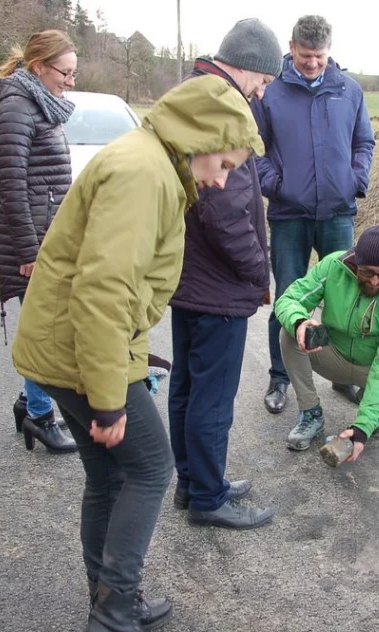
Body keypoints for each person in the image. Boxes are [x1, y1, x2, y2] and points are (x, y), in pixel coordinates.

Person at [10, 74, 264, 631]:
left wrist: (131, 357)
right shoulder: (143, 174)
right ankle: (116, 609)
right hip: (81, 355)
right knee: (149, 468)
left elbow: (121, 284)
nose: (222, 182)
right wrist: (108, 401)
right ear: (199, 134)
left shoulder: (155, 165)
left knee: (109, 477)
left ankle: (107, 597)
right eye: (224, 164)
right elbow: (104, 291)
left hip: (71, 349)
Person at [167, 19, 282, 531]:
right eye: (264, 80)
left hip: (190, 275)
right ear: (250, 66)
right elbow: (227, 209)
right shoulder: (221, 105)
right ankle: (209, 497)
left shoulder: (193, 94)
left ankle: (193, 482)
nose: (262, 91)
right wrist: (260, 272)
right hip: (218, 283)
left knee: (188, 386)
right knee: (210, 396)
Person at [251, 14, 375, 415]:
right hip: (289, 215)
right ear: (291, 48)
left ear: (329, 51)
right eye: (305, 55)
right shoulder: (271, 93)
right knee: (290, 296)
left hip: (338, 212)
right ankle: (280, 377)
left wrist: (355, 180)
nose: (312, 63)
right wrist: (278, 185)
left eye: (319, 56)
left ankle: (344, 375)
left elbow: (364, 142)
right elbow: (256, 150)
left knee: (346, 298)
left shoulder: (349, 90)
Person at [0, 29, 77, 453]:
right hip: (32, 243)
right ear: (38, 67)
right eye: (66, 72)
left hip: (46, 237)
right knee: (46, 331)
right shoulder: (15, 107)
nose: (71, 82)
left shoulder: (37, 102)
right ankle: (41, 415)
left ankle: (30, 403)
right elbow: (11, 184)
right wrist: (29, 252)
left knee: (47, 324)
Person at [274, 225, 379, 457]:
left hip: (371, 367)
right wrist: (299, 321)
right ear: (356, 263)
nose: (374, 281)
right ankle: (311, 412)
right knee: (290, 333)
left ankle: (371, 404)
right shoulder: (334, 266)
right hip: (333, 355)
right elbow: (290, 299)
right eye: (367, 272)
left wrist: (363, 427)